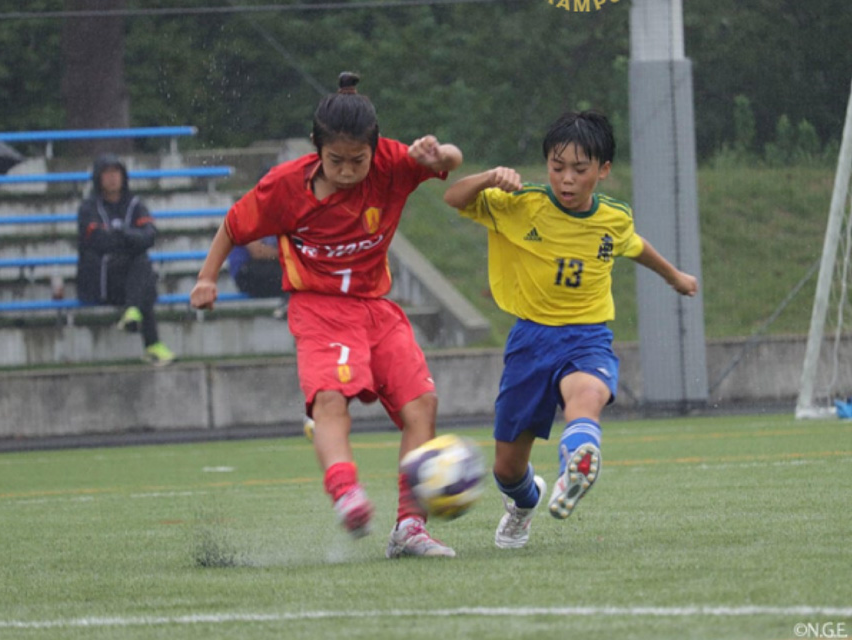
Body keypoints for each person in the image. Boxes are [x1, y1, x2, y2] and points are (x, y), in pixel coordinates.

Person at [190, 72, 463, 558]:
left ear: (374, 148)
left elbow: (452, 160)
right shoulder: (284, 187)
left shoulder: (391, 164)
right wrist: (207, 278)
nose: (348, 170)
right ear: (316, 147)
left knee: (422, 404)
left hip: (376, 309)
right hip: (319, 309)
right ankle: (345, 492)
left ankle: (409, 527)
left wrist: (438, 154)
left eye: (358, 160)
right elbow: (233, 225)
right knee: (331, 398)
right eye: (336, 160)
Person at [442, 110, 699, 549]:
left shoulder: (613, 218)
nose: (566, 179)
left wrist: (674, 276)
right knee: (507, 468)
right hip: (530, 341)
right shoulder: (521, 204)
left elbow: (634, 245)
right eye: (557, 167)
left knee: (587, 395)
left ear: (603, 170)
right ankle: (525, 504)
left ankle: (574, 467)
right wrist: (488, 177)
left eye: (580, 169)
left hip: (586, 336)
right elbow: (453, 197)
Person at [76, 154, 175, 366]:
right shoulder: (89, 207)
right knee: (143, 274)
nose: (112, 178)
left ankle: (133, 313)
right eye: (107, 173)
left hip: (128, 279)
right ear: (98, 178)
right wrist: (129, 237)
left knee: (141, 265)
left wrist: (120, 233)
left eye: (116, 172)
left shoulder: (135, 204)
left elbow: (150, 236)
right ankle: (151, 343)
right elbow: (97, 241)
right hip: (102, 279)